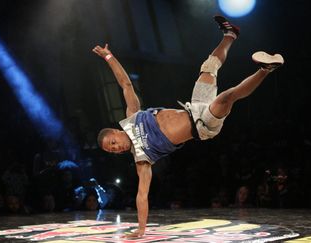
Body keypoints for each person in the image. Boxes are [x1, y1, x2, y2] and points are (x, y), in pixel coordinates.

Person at [93, 15, 284, 238]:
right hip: (202, 126)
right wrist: (141, 229)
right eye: (111, 150)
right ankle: (265, 69)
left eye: (112, 143)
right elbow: (141, 195)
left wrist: (108, 56)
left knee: (209, 66)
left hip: (194, 107)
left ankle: (230, 34)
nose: (114, 148)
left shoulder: (132, 115)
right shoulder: (141, 158)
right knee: (226, 98)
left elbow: (125, 83)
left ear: (116, 131)